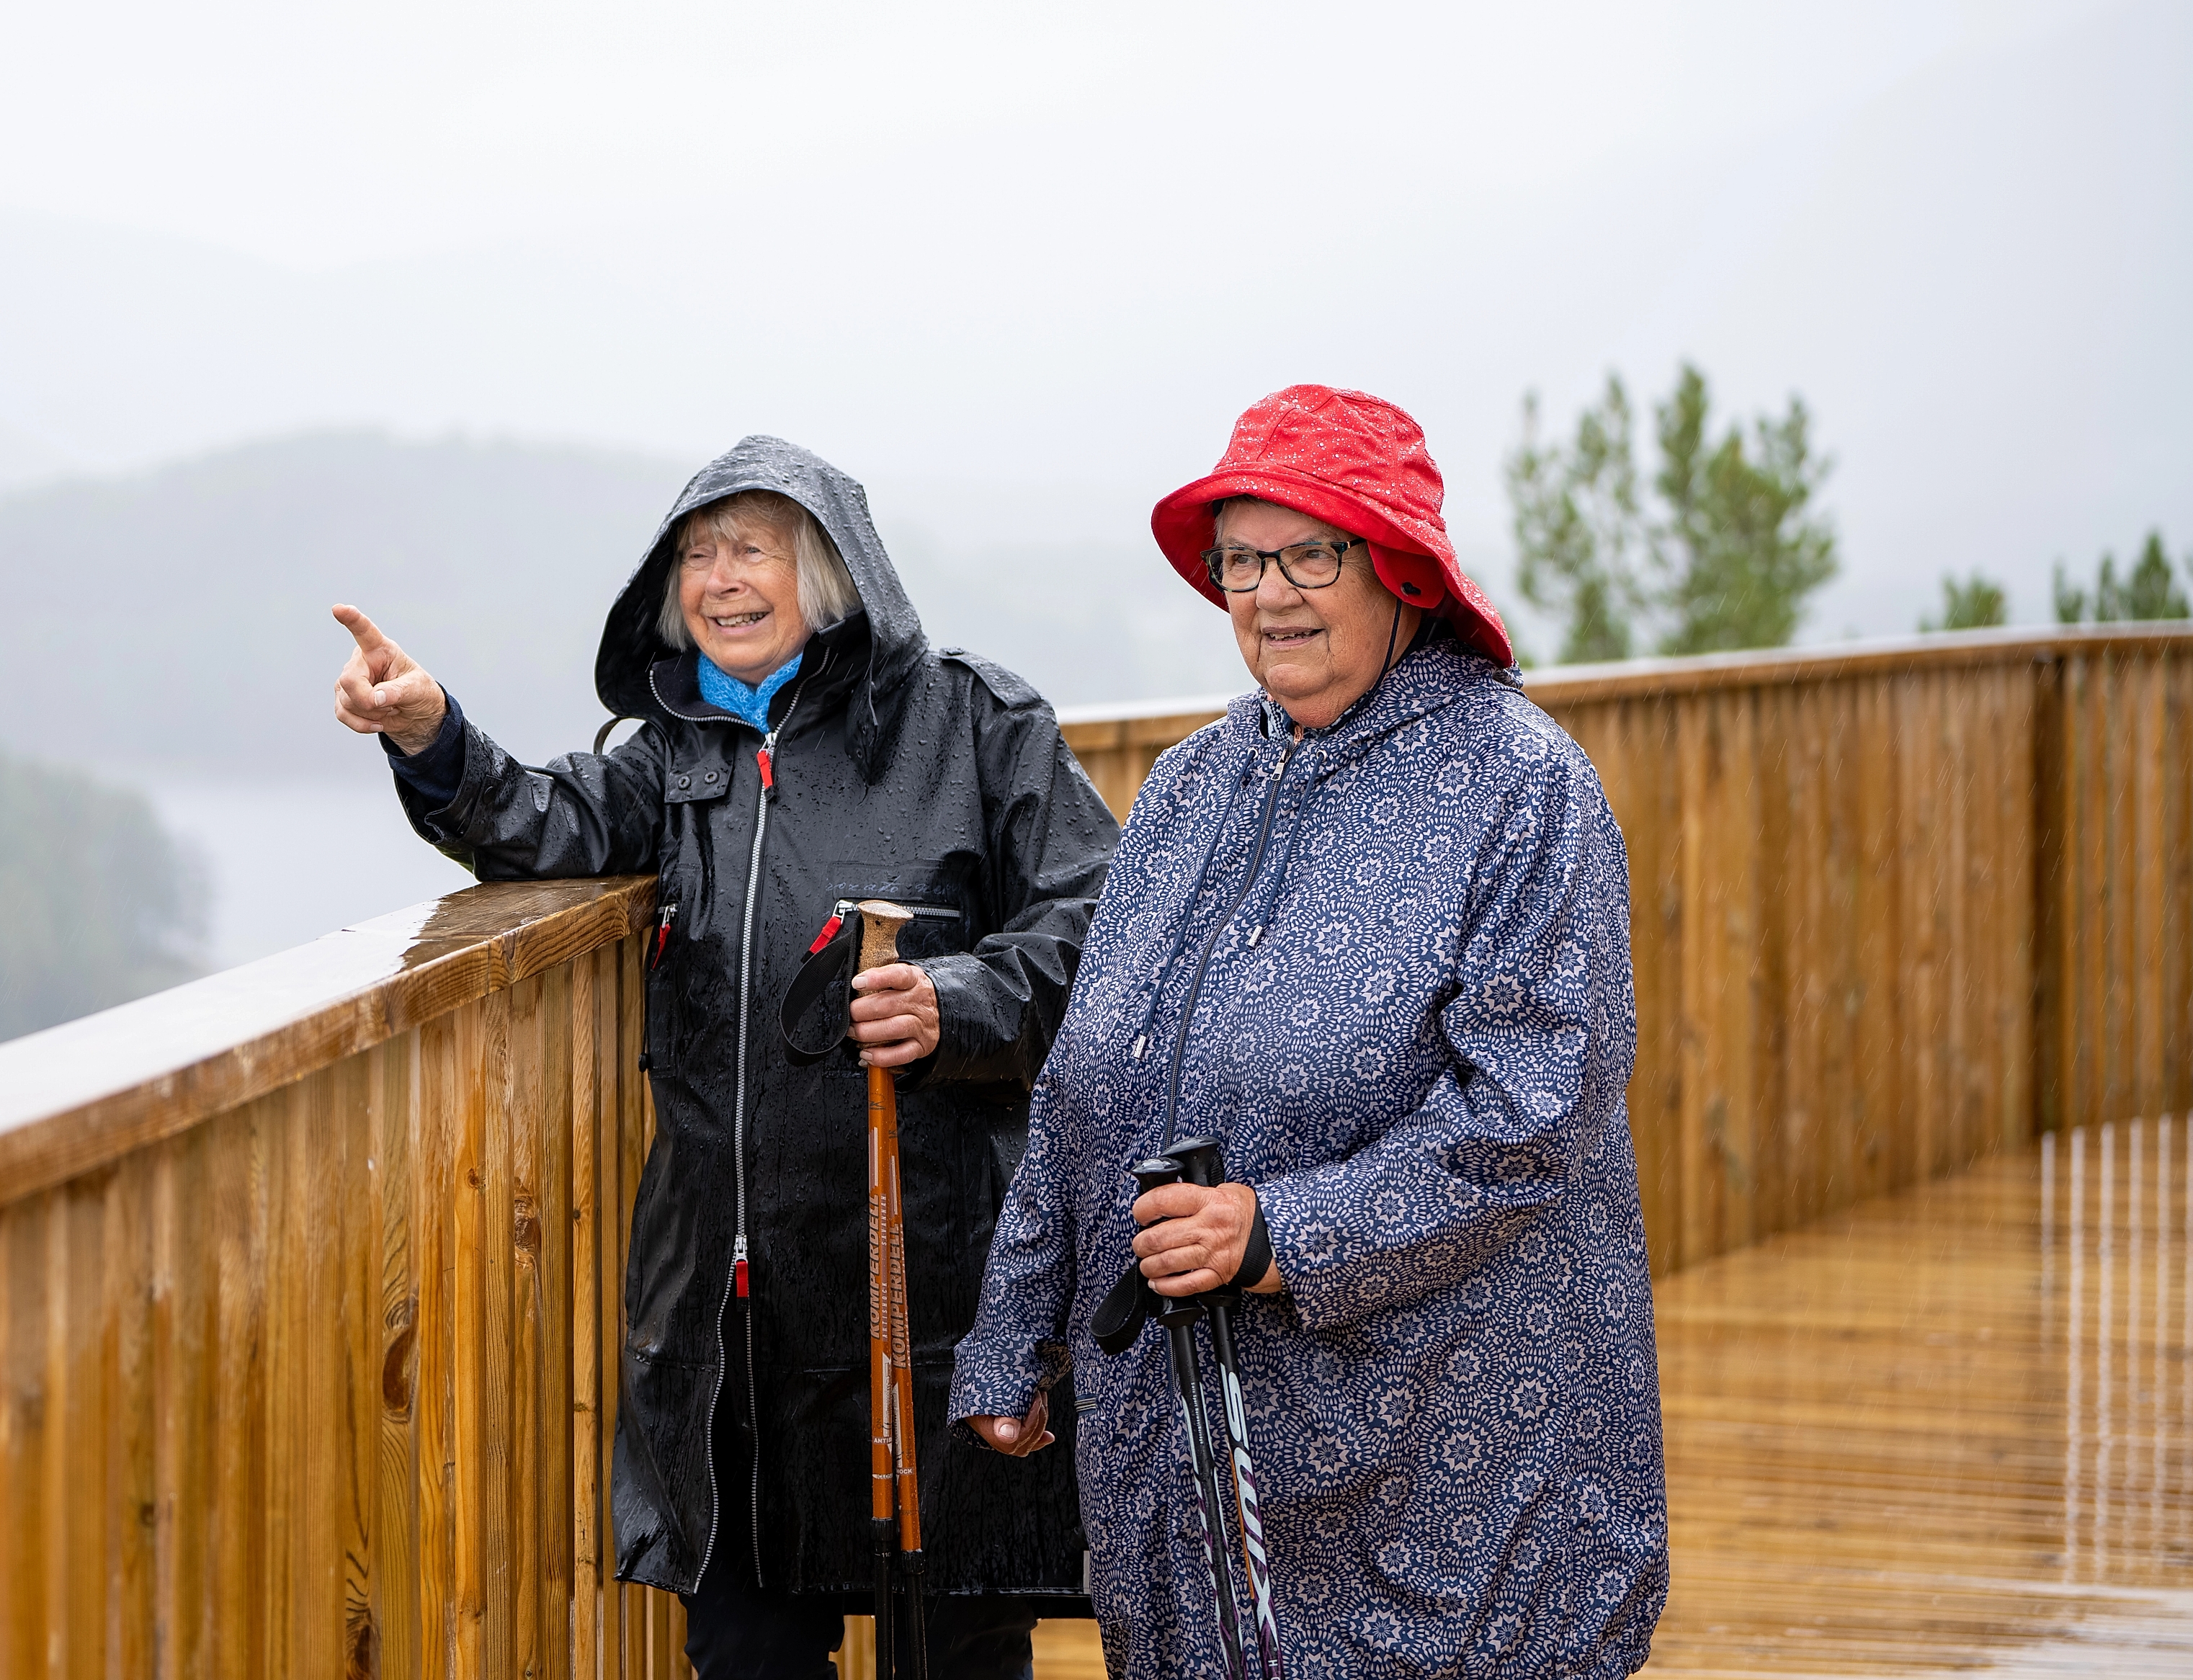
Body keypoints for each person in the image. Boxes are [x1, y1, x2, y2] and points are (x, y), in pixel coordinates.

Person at [332, 436, 1121, 1679]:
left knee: (956, 1651)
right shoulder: (674, 749)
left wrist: (960, 1000)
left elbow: (1097, 921)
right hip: (731, 1311)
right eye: (697, 553)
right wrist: (436, 739)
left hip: (922, 1293)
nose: (720, 578)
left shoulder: (975, 723)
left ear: (831, 570)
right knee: (749, 1652)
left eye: (752, 546)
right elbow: (544, 824)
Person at [951, 388, 1669, 1678]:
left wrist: (1283, 1232)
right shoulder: (1187, 787)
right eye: (1242, 558)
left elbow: (1533, 1112)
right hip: (1189, 1462)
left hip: (1451, 1461)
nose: (1269, 593)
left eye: (1310, 555)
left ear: (1398, 570)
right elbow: (1082, 1088)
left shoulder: (1524, 787)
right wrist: (1013, 1335)